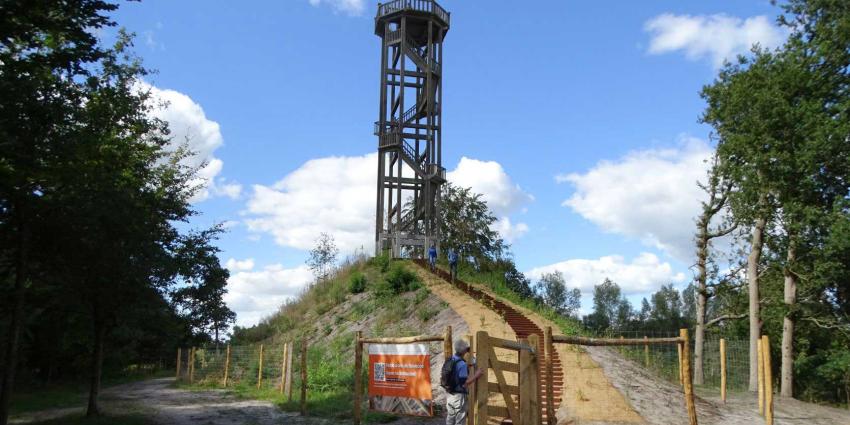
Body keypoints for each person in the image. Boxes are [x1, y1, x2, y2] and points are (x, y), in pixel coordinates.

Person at [445, 339, 484, 425]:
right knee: (460, 420)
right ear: (465, 351)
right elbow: (465, 383)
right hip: (458, 396)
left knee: (450, 418)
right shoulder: (462, 364)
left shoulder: (450, 359)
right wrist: (477, 375)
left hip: (449, 394)